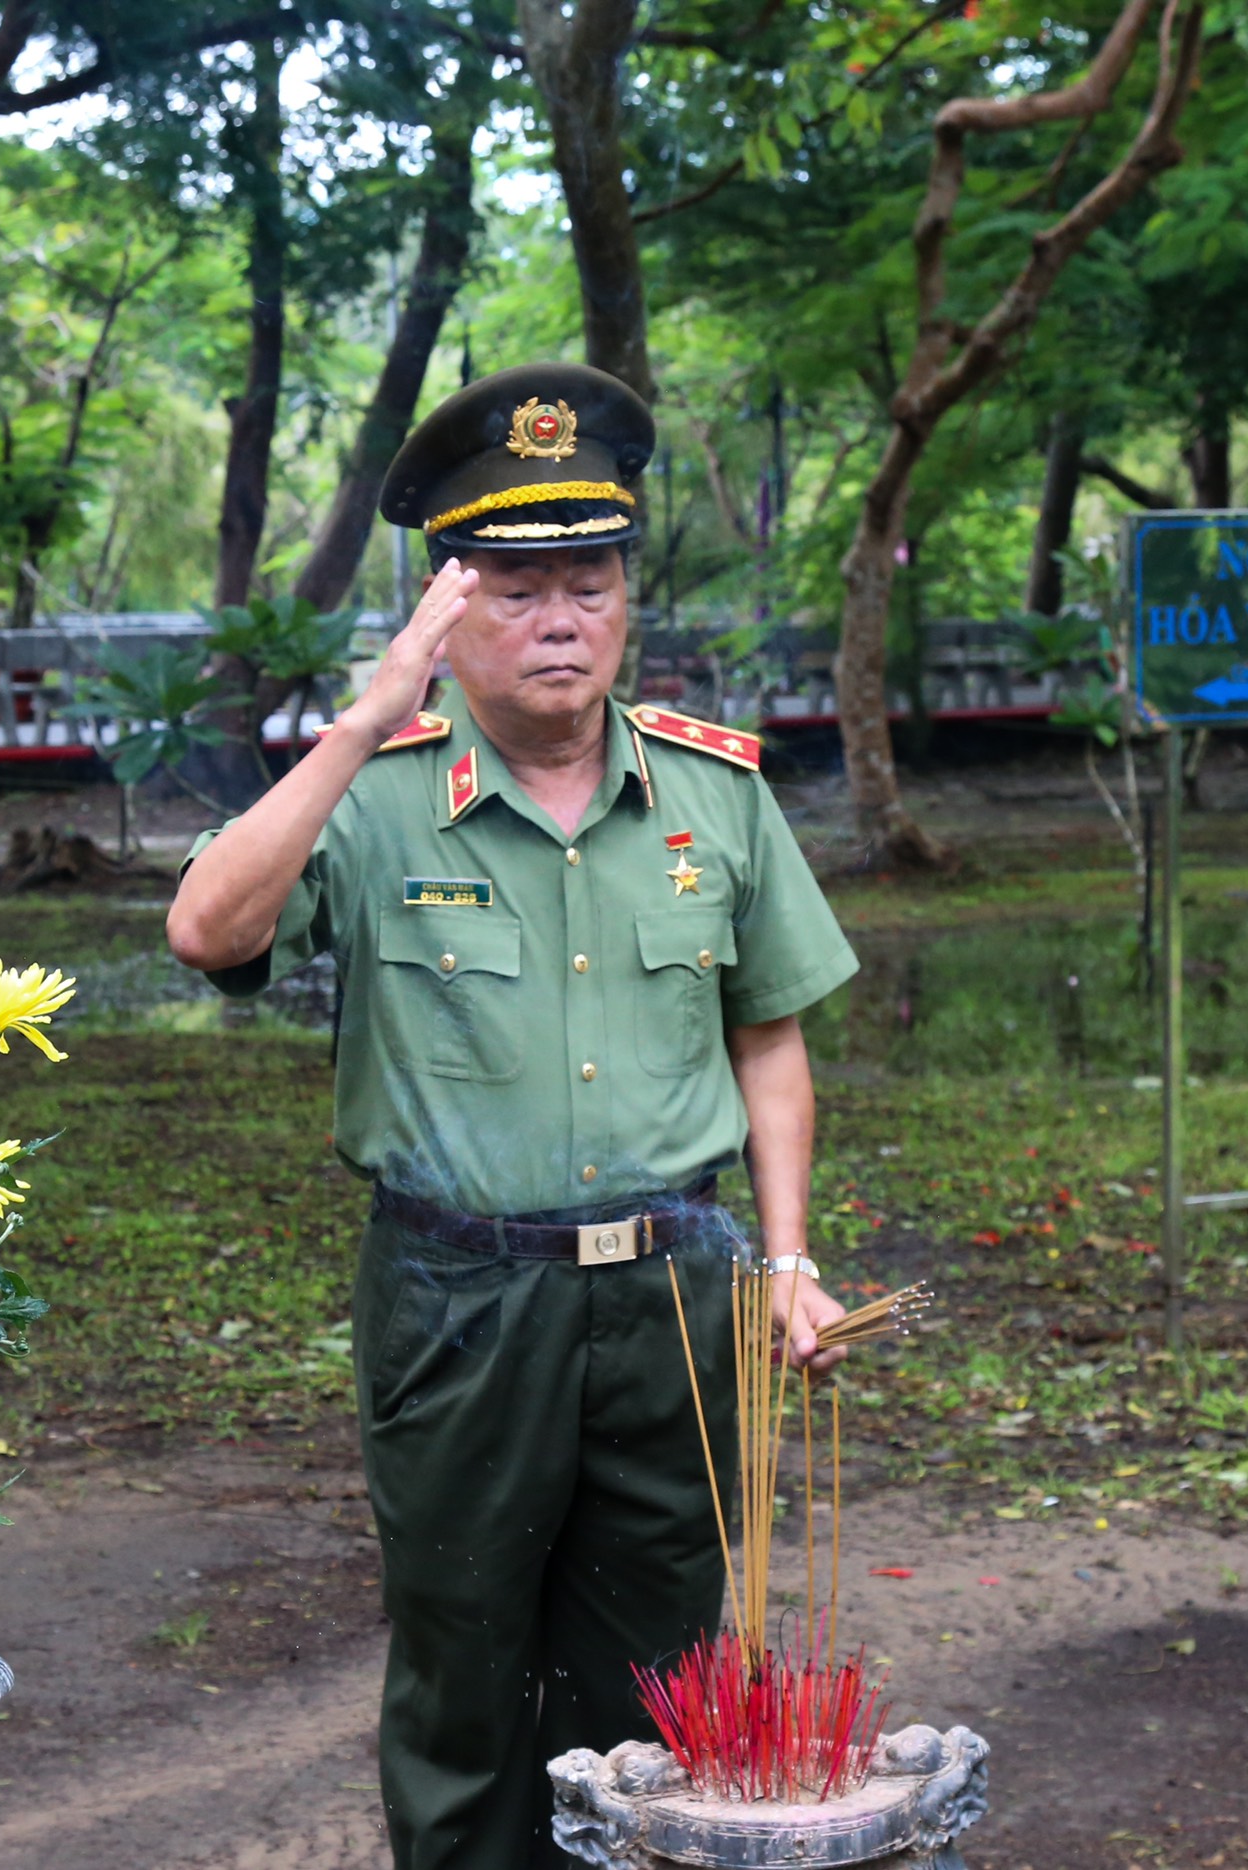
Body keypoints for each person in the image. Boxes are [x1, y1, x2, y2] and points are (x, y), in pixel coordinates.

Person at [166, 362, 859, 1870]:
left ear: (626, 599)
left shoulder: (717, 795)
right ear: (446, 608)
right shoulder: (376, 798)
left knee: (670, 1677)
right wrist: (359, 724)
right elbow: (208, 932)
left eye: (590, 580)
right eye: (516, 583)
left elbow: (772, 1040)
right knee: (466, 1672)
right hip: (460, 1303)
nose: (560, 616)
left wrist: (790, 1258)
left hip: (680, 1294)